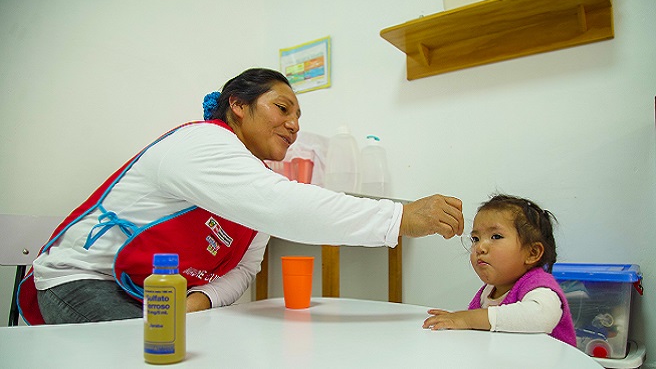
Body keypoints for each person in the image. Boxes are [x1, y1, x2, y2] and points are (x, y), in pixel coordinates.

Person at [18, 68, 464, 325]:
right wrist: (400, 217)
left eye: (298, 116)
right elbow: (285, 206)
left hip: (157, 296)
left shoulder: (255, 179)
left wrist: (198, 302)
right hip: (83, 280)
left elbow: (246, 267)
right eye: (282, 108)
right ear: (237, 104)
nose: (294, 125)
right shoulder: (201, 144)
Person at [422, 194, 576, 346]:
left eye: (496, 236)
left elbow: (542, 316)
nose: (480, 247)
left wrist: (467, 318)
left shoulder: (539, 285)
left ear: (532, 253)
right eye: (476, 239)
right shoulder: (489, 292)